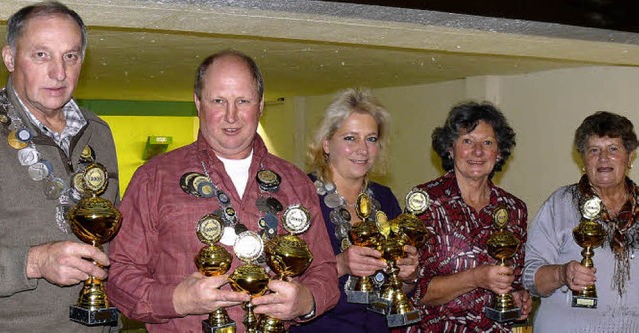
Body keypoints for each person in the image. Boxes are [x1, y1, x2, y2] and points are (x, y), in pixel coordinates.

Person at [105, 50, 340, 332]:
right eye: (218, 101)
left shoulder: (295, 181)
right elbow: (119, 274)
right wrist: (177, 300)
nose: (231, 116)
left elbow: (324, 270)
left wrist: (307, 300)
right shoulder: (154, 178)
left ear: (261, 104)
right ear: (198, 102)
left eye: (243, 101)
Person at [0, 2, 119, 332]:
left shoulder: (99, 133)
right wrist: (32, 262)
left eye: (70, 56)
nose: (59, 72)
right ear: (9, 58)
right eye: (41, 55)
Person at [291, 88, 419, 333]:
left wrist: (408, 275)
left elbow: (398, 291)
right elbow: (284, 281)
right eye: (350, 138)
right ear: (326, 144)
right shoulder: (300, 196)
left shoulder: (384, 198)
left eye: (371, 139)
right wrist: (339, 265)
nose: (363, 150)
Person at [408, 101, 532, 332]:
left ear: (499, 152)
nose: (478, 152)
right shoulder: (426, 203)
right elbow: (415, 291)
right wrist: (475, 277)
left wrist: (519, 298)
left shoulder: (514, 209)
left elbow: (515, 280)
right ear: (450, 148)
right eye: (467, 141)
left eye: (487, 143)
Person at [524, 111, 639, 332]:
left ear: (630, 156)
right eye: (594, 150)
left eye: (613, 149)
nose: (603, 158)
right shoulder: (560, 204)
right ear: (583, 159)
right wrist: (561, 274)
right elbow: (530, 277)